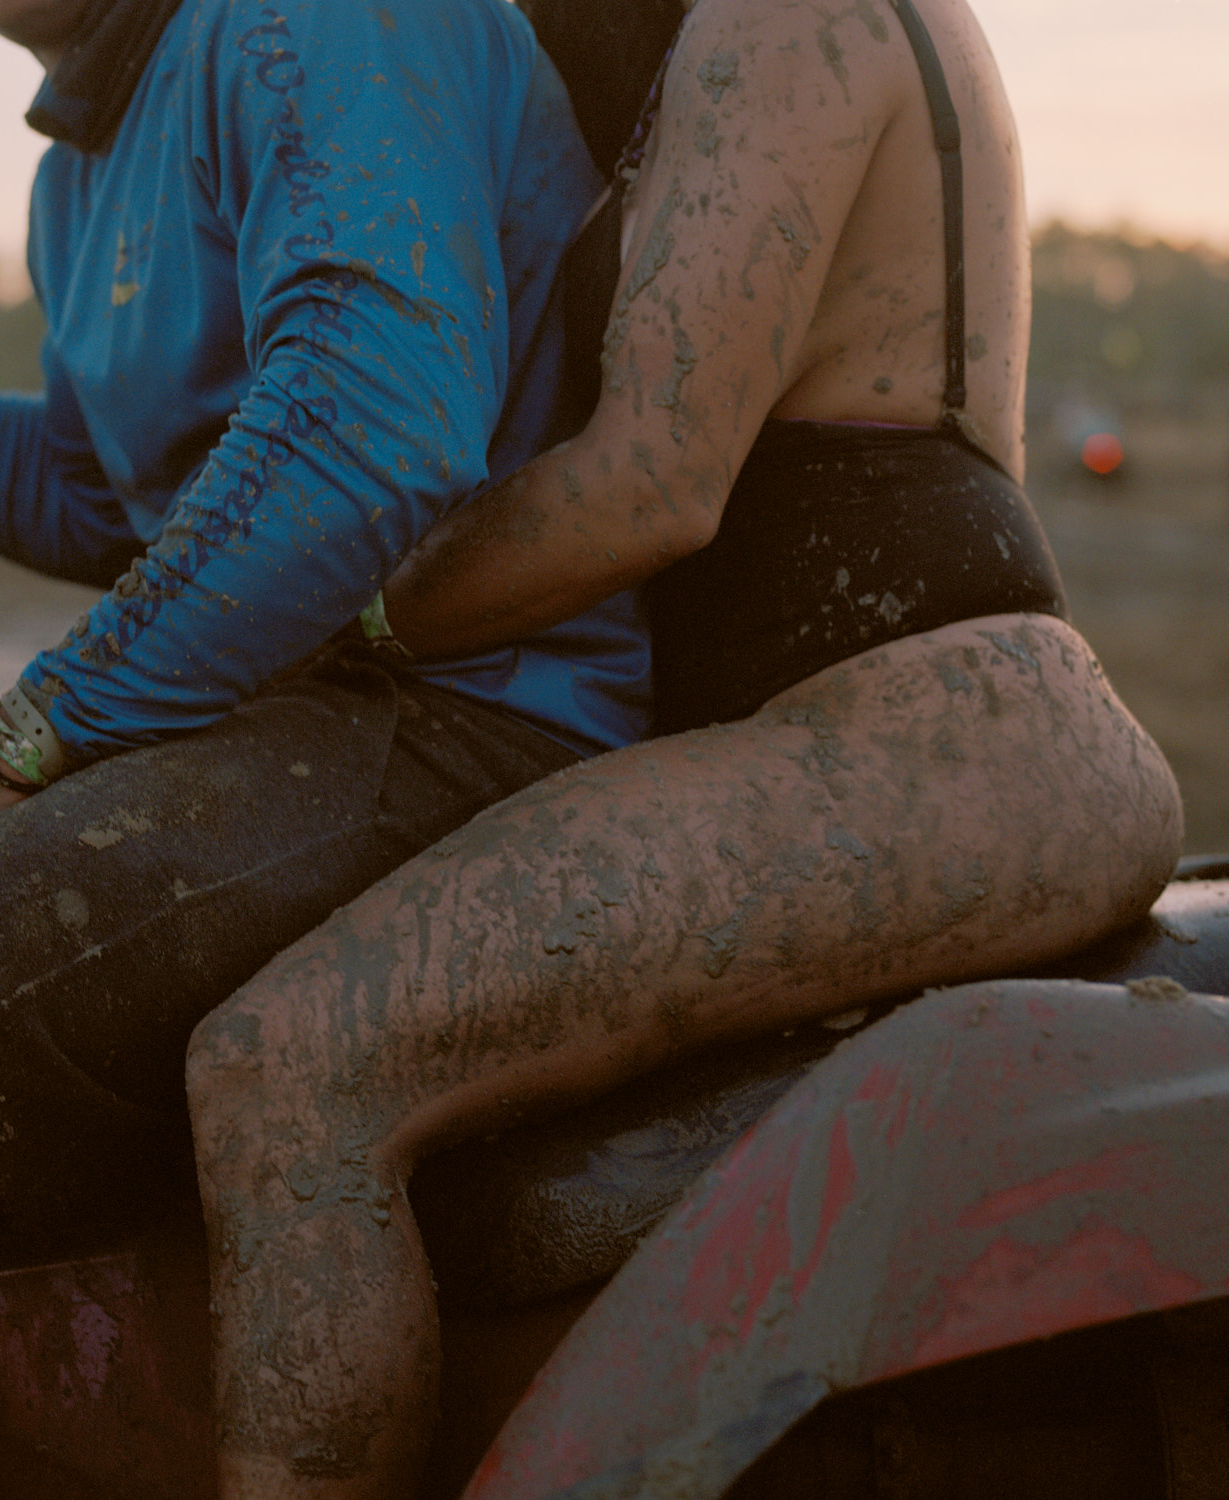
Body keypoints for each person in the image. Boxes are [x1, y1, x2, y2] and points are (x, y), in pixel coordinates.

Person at [180, 0, 1185, 1495]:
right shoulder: (685, 53)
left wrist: (310, 625)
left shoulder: (789, 15)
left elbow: (651, 483)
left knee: (291, 1069)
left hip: (931, 742)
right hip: (875, 729)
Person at [0, 0, 656, 1494]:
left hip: (469, 703)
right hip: (297, 711)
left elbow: (375, 420)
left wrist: (25, 741)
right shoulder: (81, 168)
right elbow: (99, 497)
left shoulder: (307, 22)